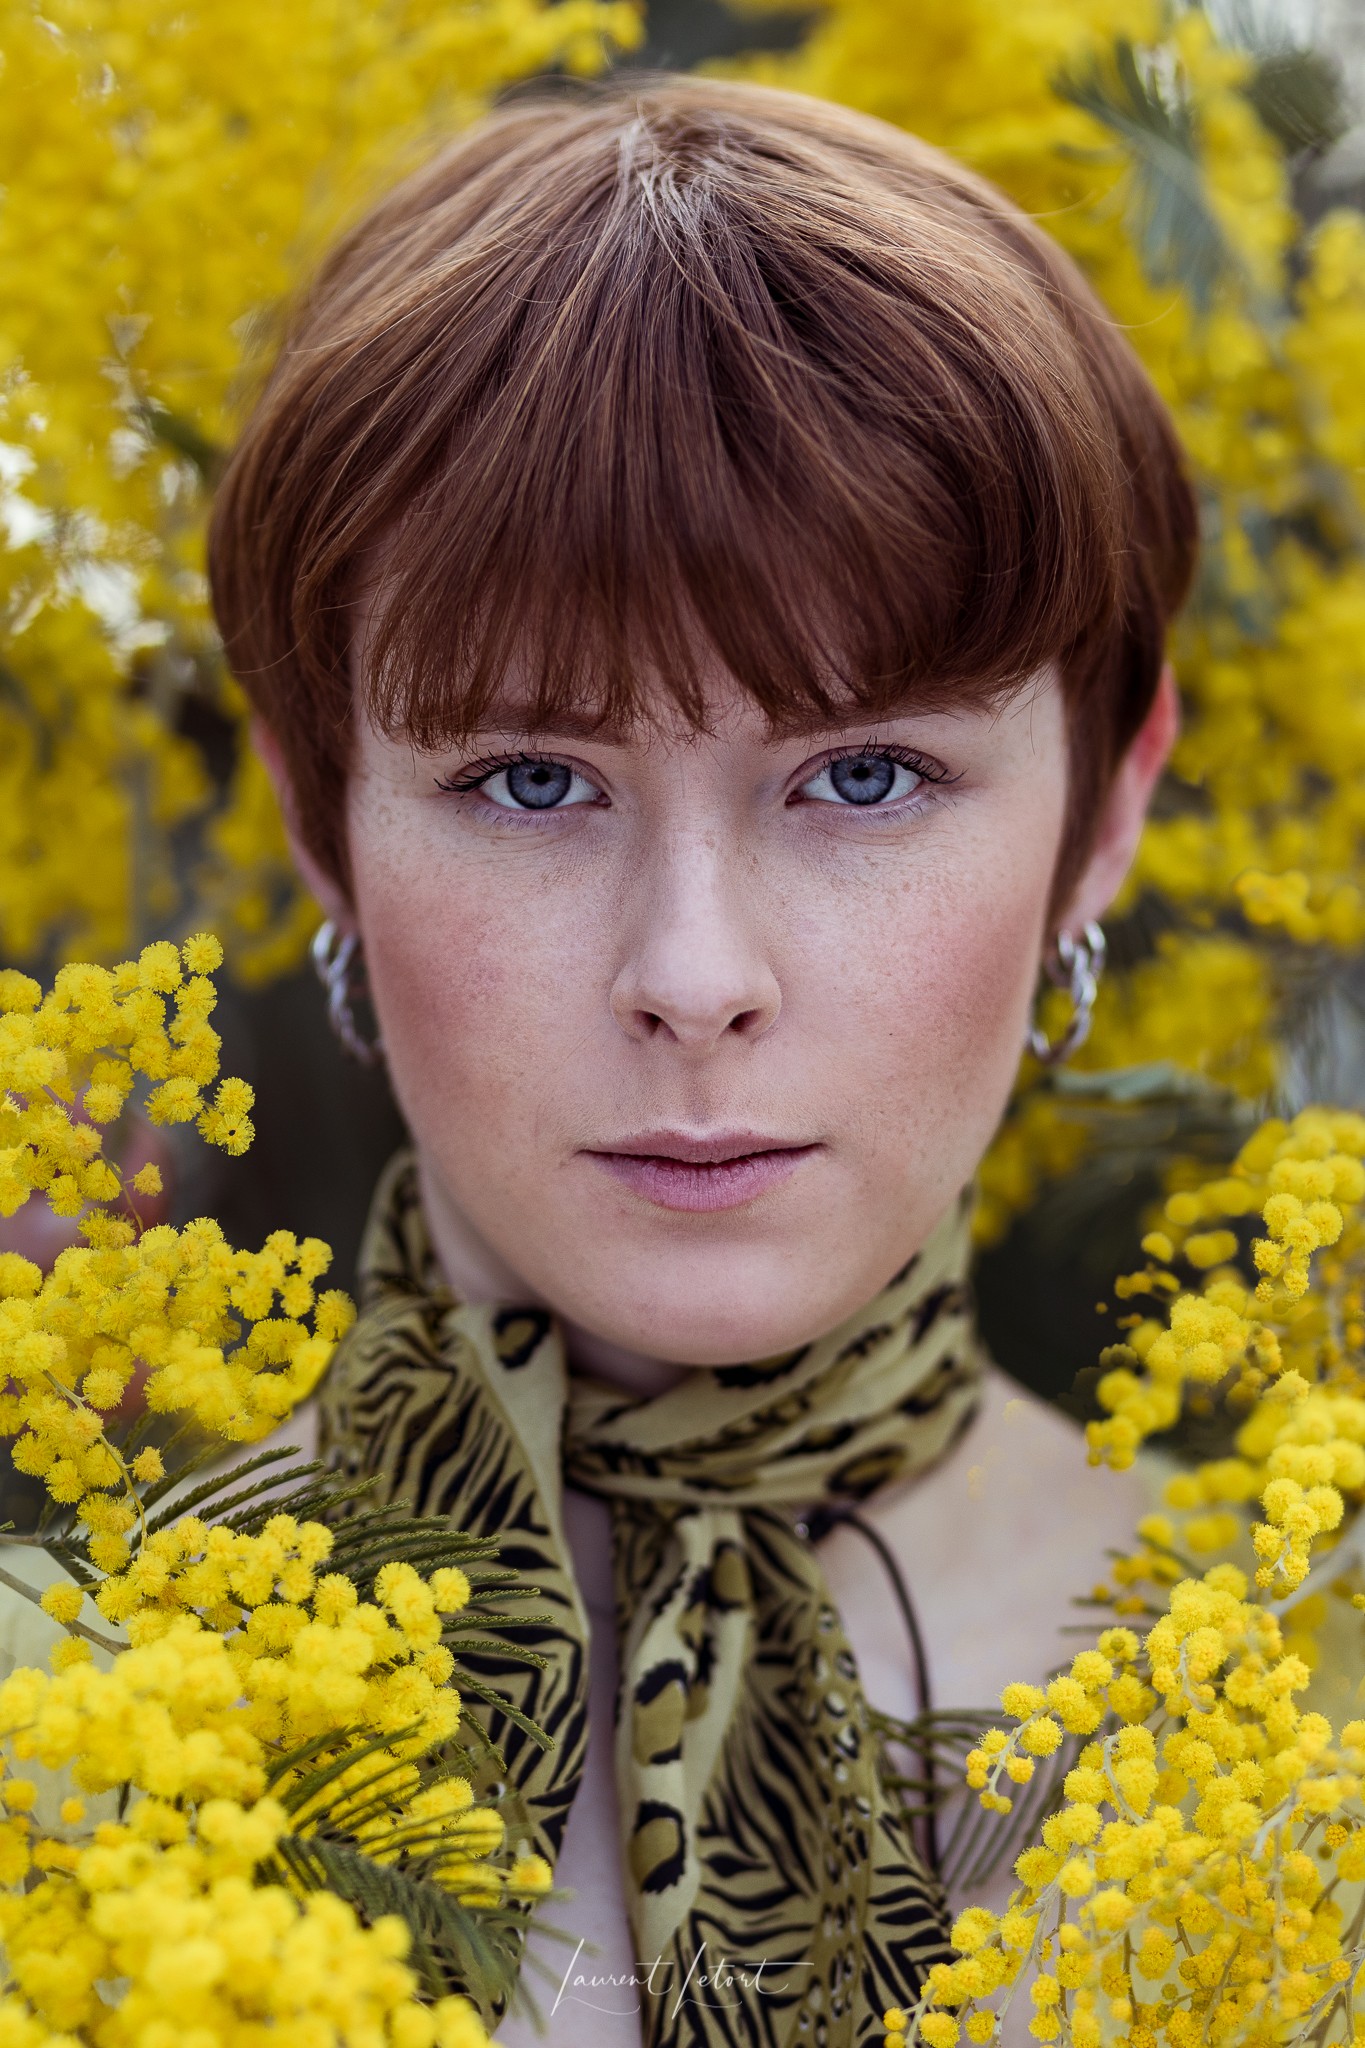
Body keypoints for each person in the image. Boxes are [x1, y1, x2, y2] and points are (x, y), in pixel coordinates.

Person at [207, 75, 1197, 2048]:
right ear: (323, 820)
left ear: (1102, 813)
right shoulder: (61, 1727)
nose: (690, 974)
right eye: (527, 779)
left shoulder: (1303, 1691)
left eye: (861, 773)